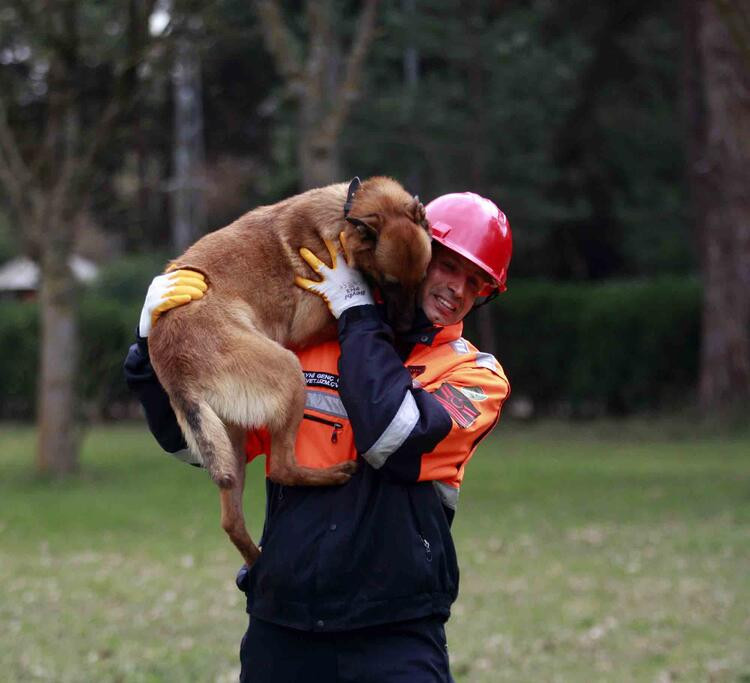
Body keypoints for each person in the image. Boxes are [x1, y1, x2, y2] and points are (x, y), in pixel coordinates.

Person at [124, 191, 512, 682]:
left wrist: (358, 314)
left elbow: (391, 436)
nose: (458, 289)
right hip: (283, 627)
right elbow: (206, 448)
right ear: (421, 248)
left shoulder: (475, 376)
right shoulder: (308, 343)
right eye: (451, 267)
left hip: (394, 635)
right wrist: (147, 351)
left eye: (477, 284)